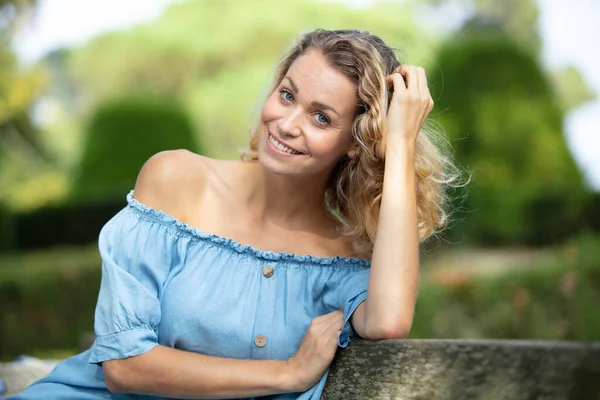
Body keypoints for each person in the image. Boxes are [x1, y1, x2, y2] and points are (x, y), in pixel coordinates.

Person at [9, 28, 459, 399]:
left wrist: (398, 142)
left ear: (356, 143)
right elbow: (124, 365)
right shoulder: (176, 180)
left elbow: (389, 320)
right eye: (287, 96)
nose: (287, 124)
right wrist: (287, 374)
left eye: (321, 118)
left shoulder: (345, 255)